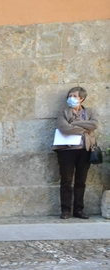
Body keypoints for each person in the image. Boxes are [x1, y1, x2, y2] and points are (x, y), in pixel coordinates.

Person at [54, 86, 99, 219]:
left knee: (81, 181)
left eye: (74, 96)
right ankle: (65, 210)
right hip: (66, 151)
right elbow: (64, 128)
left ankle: (78, 210)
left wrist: (74, 124)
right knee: (66, 181)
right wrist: (85, 127)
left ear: (82, 98)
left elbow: (95, 125)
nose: (71, 98)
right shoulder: (62, 112)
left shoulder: (89, 112)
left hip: (85, 150)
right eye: (70, 96)